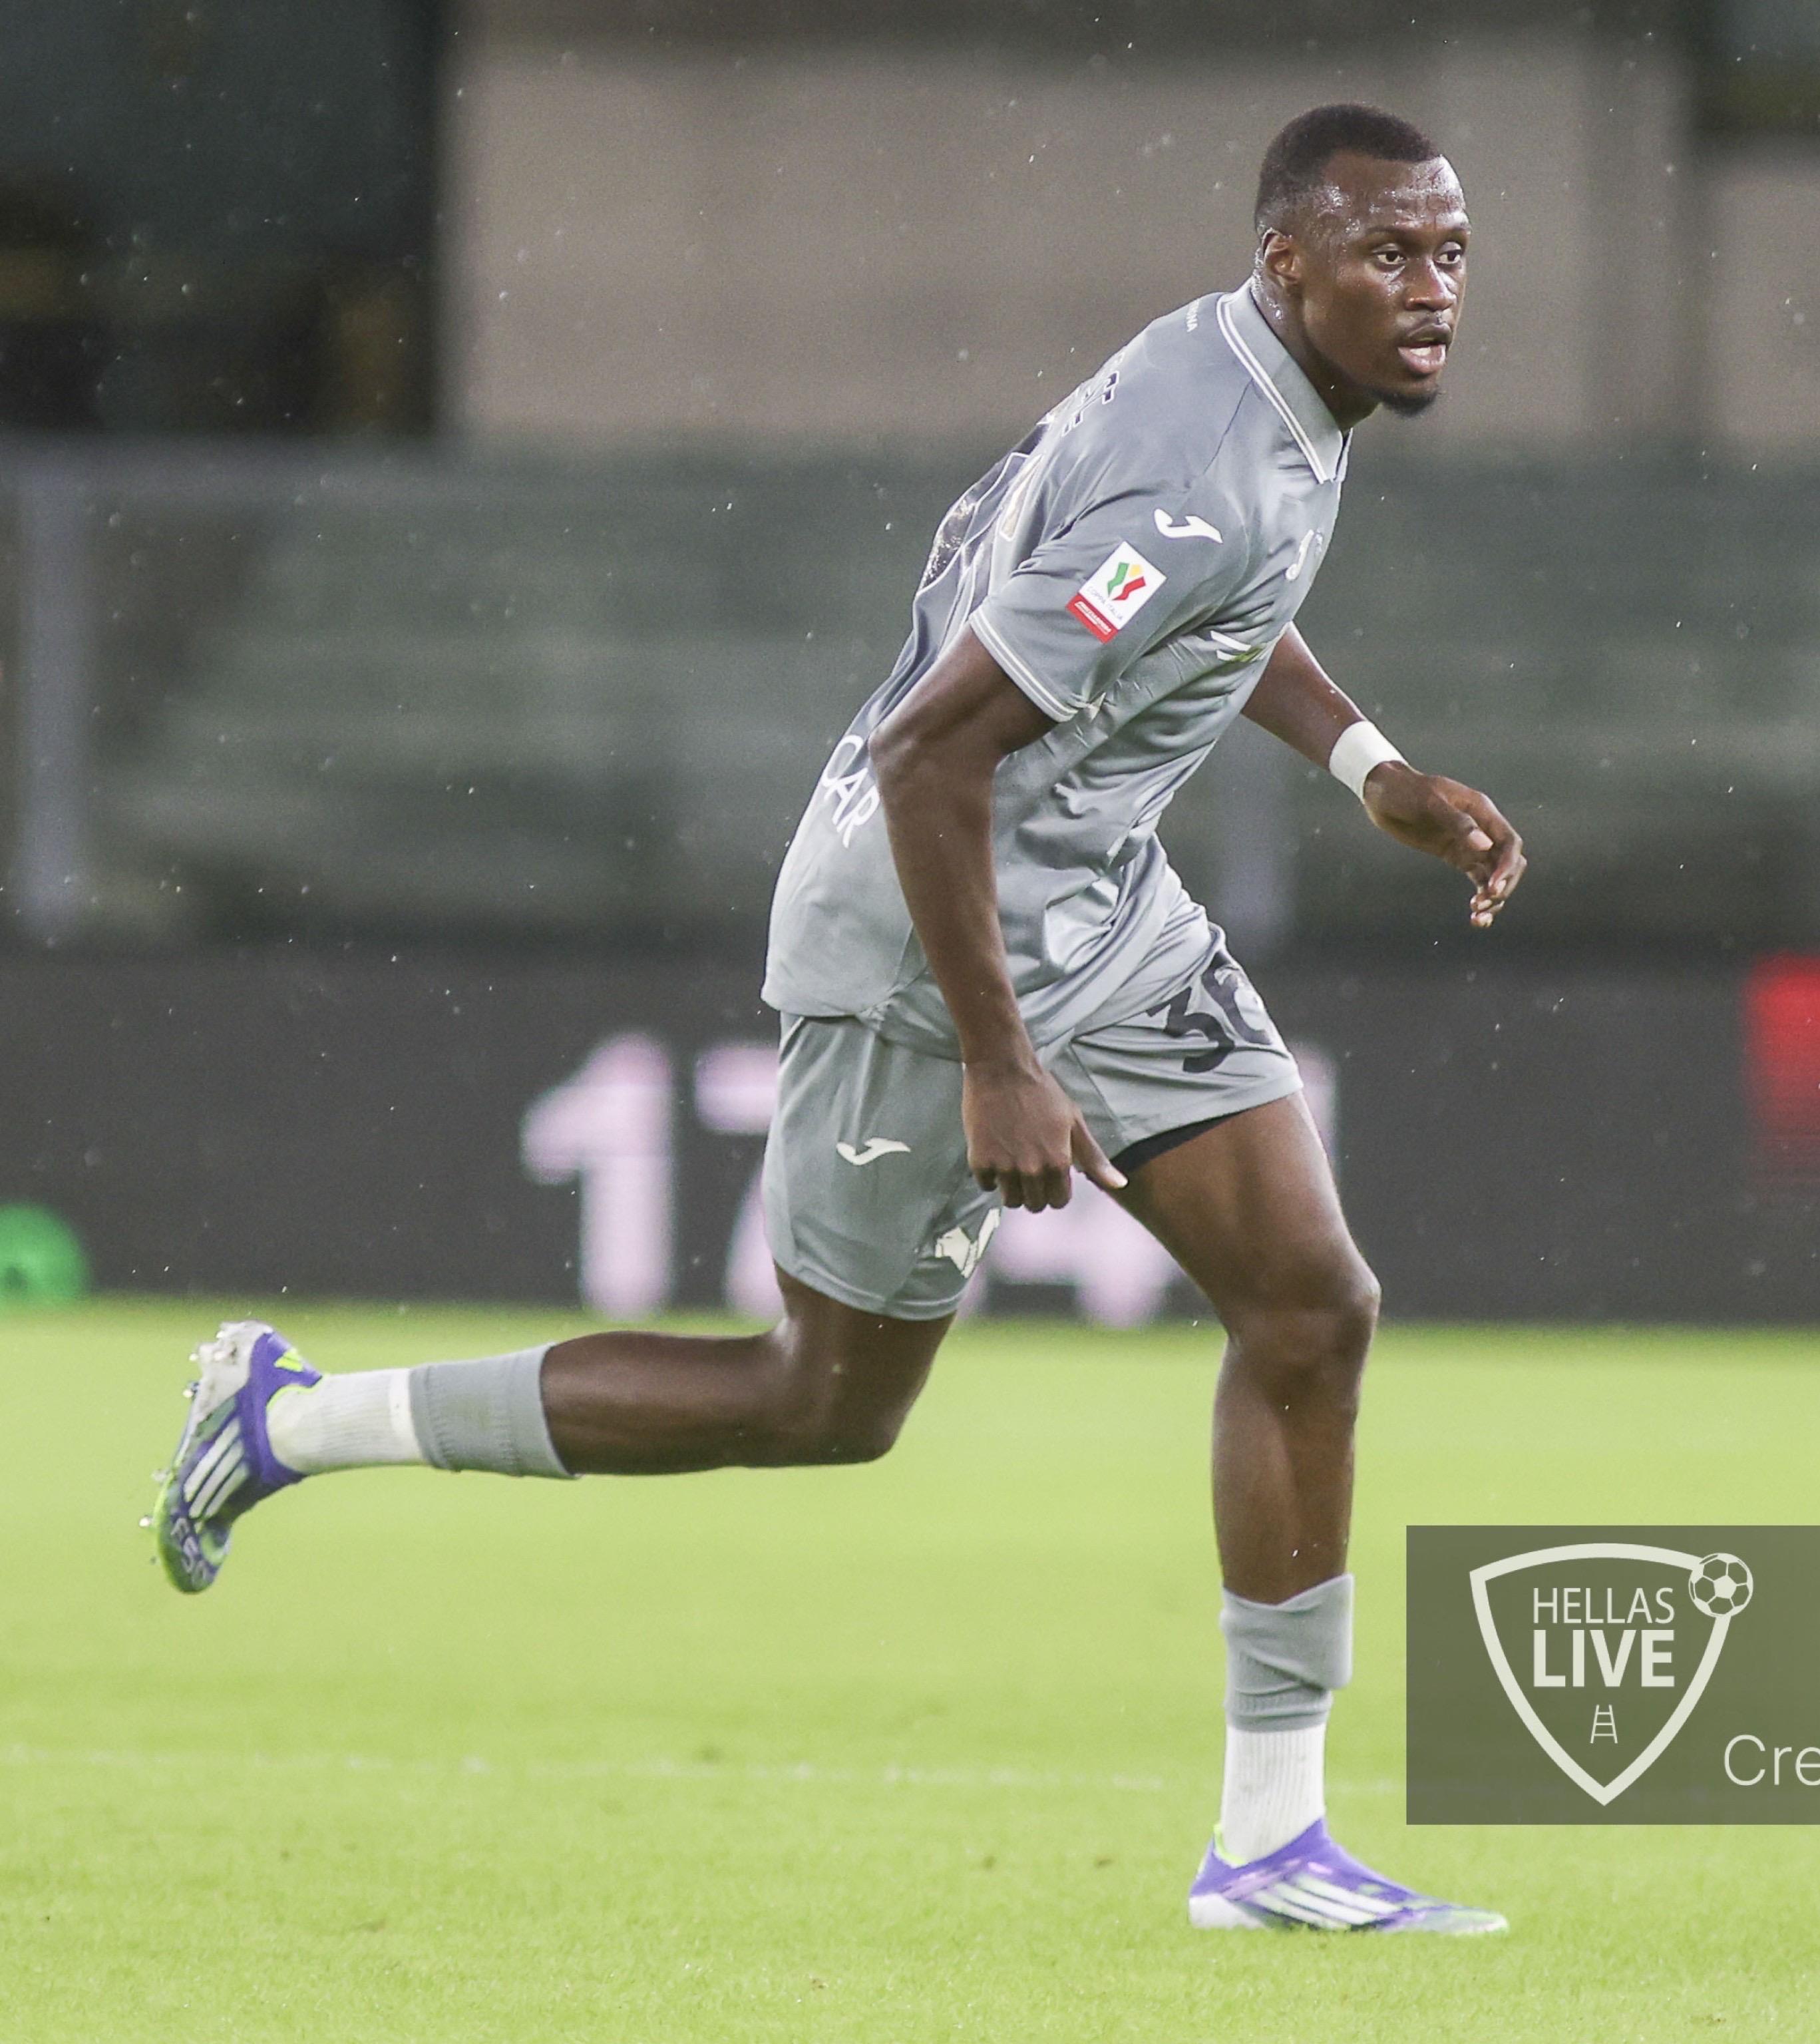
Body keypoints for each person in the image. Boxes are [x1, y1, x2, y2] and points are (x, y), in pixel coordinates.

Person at [152, 102, 1524, 1935]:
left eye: (1449, 254)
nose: (1431, 294)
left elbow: (1212, 609)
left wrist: (1367, 765)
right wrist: (996, 1059)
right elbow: (931, 752)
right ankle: (293, 1422)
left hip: (1100, 902)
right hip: (919, 930)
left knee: (1308, 1308)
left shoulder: (1257, 393)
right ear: (1291, 262)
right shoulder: (1191, 460)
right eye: (1389, 255)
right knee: (819, 1403)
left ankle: (1269, 1844)